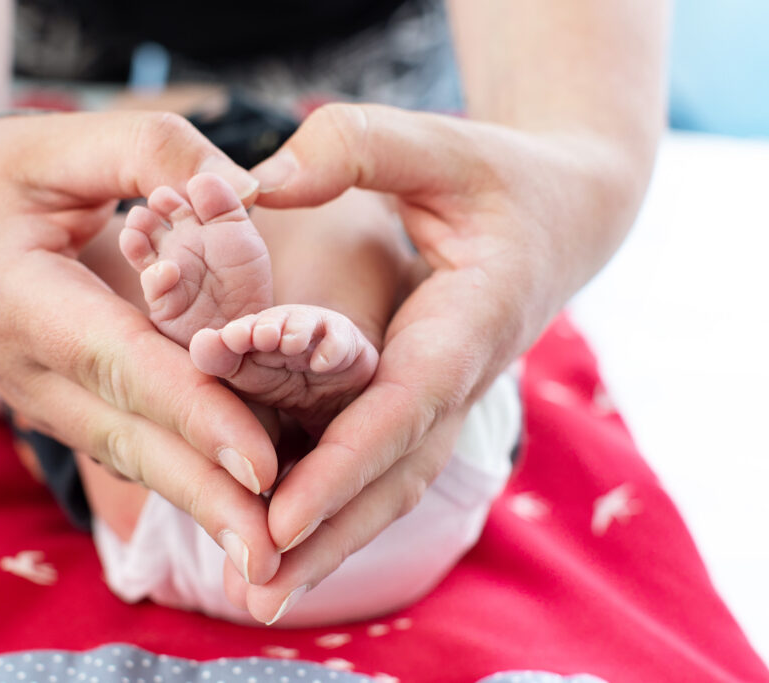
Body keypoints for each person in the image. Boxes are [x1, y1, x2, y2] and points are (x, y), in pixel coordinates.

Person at [0, 0, 668, 626]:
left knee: (71, 292)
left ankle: (218, 366)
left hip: (285, 124)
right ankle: (308, 371)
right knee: (346, 219)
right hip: (323, 185)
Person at [67, 170, 520, 625]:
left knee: (72, 291)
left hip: (175, 518)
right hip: (425, 483)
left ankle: (215, 384)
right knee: (331, 199)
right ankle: (332, 326)